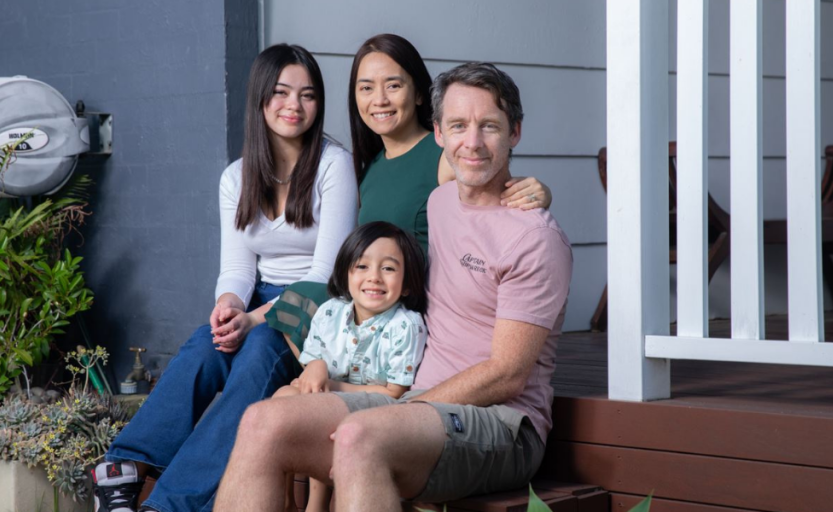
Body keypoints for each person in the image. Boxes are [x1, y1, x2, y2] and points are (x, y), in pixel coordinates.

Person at [215, 62, 573, 510]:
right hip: (417, 400)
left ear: (515, 133)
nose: (473, 142)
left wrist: (400, 410)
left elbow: (507, 375)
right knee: (262, 422)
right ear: (439, 135)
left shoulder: (533, 237)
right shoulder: (441, 202)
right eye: (459, 126)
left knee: (360, 437)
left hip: (501, 423)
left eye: (490, 127)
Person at [92, 44, 357, 512]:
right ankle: (124, 467)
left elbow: (324, 274)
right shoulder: (236, 177)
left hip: (319, 310)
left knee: (255, 353)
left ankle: (170, 504)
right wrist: (231, 305)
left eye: (308, 95)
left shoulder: (333, 165)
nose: (294, 106)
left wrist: (254, 320)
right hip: (259, 302)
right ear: (259, 98)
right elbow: (236, 268)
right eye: (280, 92)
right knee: (205, 345)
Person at [267, 33, 553, 352]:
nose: (379, 100)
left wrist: (537, 191)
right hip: (376, 298)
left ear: (418, 94)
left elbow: (490, 195)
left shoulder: (440, 153)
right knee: (296, 306)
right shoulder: (371, 167)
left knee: (295, 310)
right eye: (366, 88)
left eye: (393, 85)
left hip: (415, 306)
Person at [272, 221, 428, 512]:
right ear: (346, 274)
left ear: (407, 284)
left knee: (320, 410)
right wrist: (316, 367)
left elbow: (394, 392)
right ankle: (286, 502)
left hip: (375, 410)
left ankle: (317, 505)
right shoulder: (331, 311)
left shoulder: (406, 325)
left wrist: (331, 387)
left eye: (389, 268)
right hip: (326, 399)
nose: (375, 277)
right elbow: (314, 355)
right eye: (362, 266)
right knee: (282, 399)